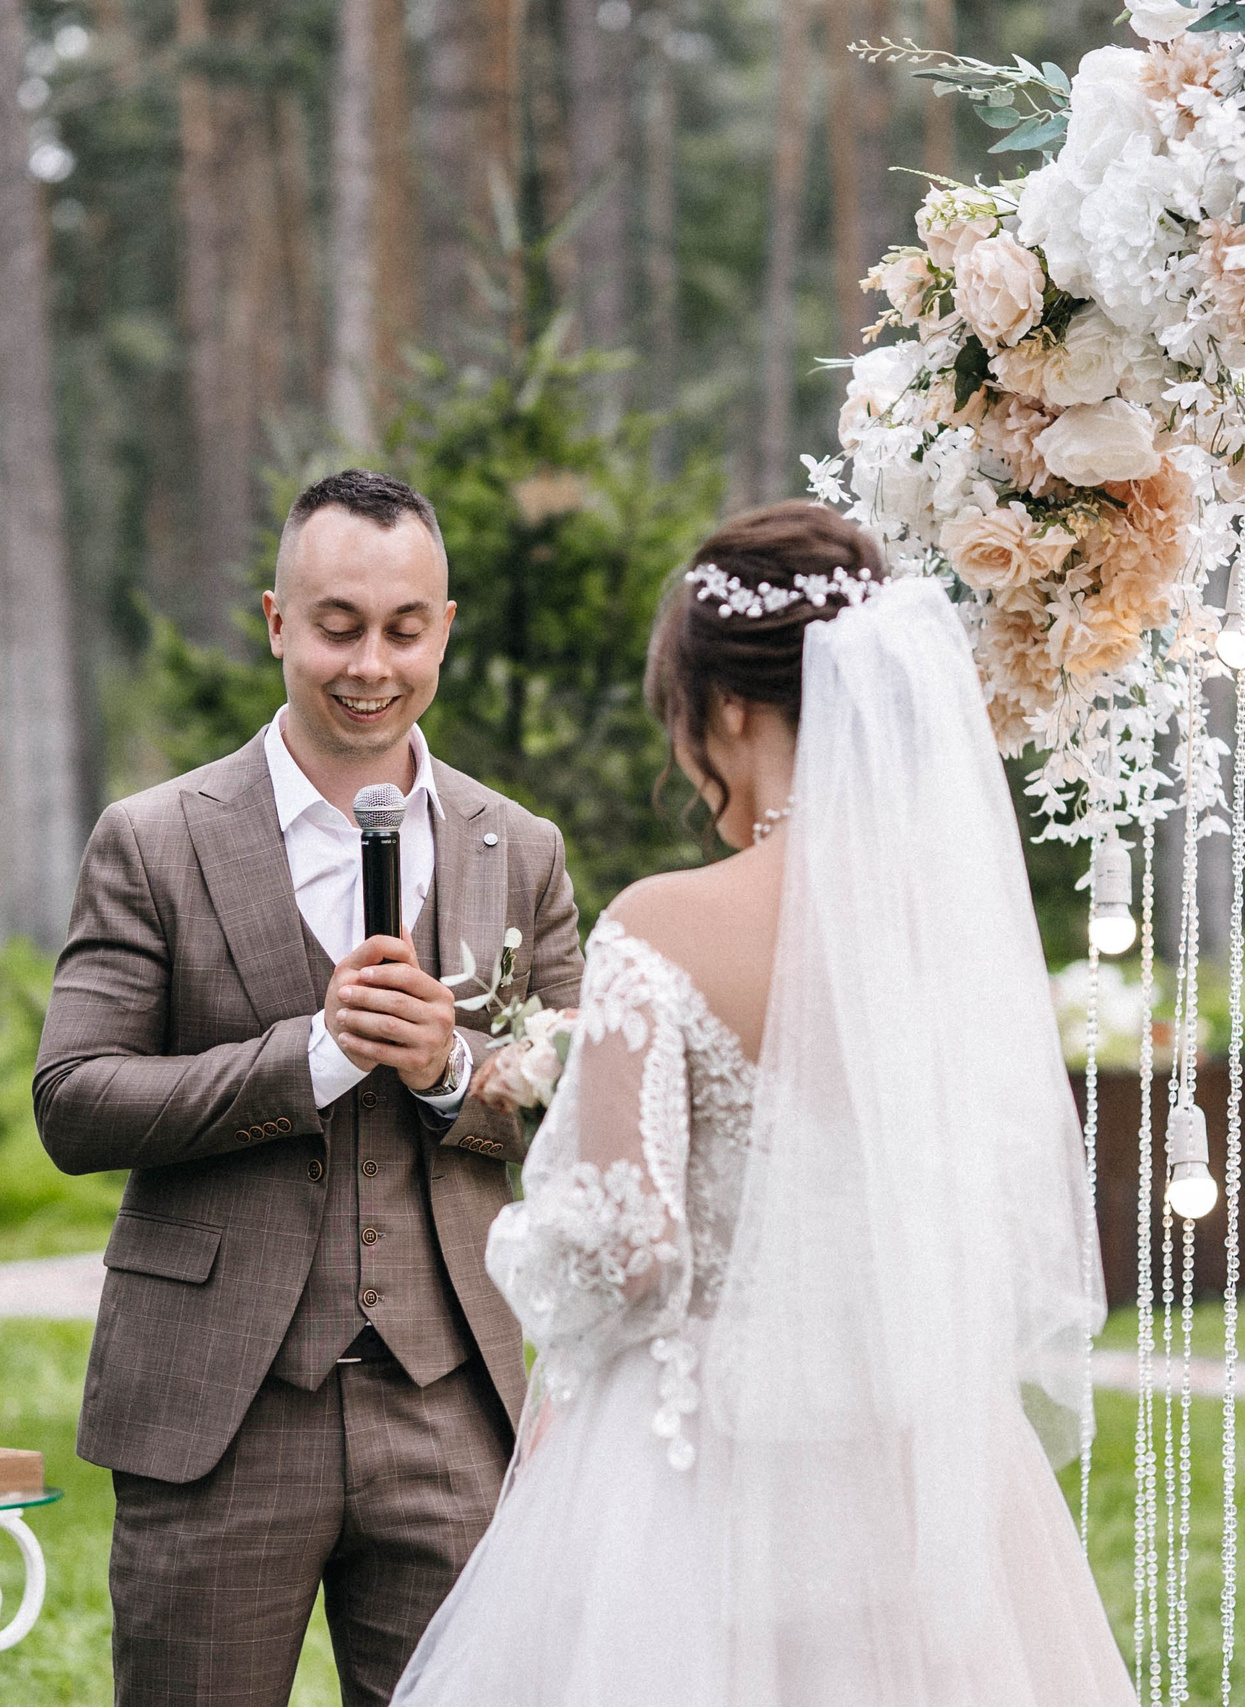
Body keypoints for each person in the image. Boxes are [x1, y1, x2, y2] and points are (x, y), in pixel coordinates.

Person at [391, 503, 1136, 1706]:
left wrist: (522, 1238)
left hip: (695, 1476)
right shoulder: (949, 933)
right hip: (910, 1467)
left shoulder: (663, 924)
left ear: (726, 708)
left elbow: (629, 1250)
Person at [33, 469, 584, 1707]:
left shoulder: (521, 849)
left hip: (455, 1403)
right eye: (337, 626)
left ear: (445, 627)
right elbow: (73, 1099)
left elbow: (586, 1122)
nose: (370, 664)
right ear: (277, 621)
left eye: (403, 628)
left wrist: (452, 1077)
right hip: (218, 1408)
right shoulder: (155, 838)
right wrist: (310, 1058)